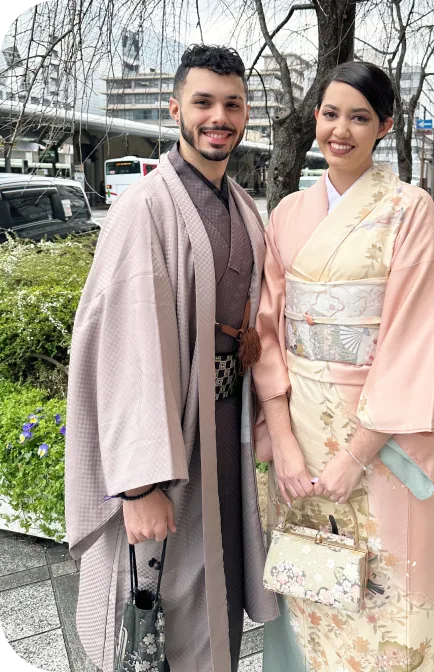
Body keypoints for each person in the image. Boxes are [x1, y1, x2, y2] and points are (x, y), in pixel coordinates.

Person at [65, 45, 278, 672]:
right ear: (176, 107)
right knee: (169, 599)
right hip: (170, 440)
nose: (219, 117)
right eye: (204, 102)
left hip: (223, 429)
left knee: (218, 589)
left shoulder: (240, 204)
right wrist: (138, 485)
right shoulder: (144, 207)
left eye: (232, 104)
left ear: (245, 116)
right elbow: (125, 347)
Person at [253, 61, 434, 671]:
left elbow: (415, 341)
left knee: (383, 592)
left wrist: (355, 454)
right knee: (311, 576)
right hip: (302, 436)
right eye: (331, 113)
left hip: (379, 438)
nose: (342, 130)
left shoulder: (409, 211)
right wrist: (283, 442)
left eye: (360, 117)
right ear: (315, 118)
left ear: (385, 126)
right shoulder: (287, 212)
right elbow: (269, 333)